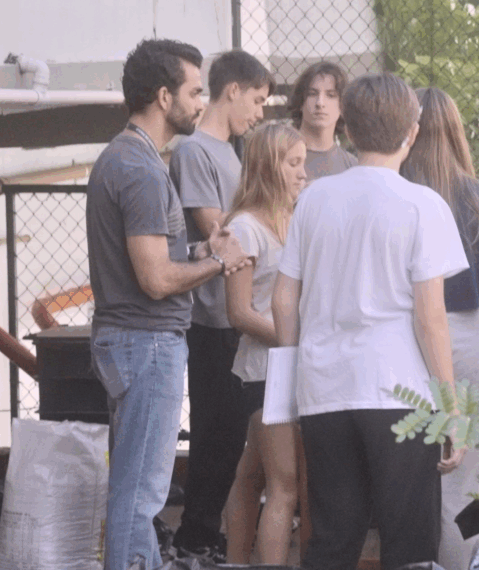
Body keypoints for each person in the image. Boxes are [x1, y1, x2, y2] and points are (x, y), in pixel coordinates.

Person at [271, 73, 469, 570]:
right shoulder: (424, 205)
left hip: (324, 390)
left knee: (332, 539)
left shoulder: (313, 199)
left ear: (348, 130)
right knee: (409, 544)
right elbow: (431, 321)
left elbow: (282, 301)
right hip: (400, 395)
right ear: (413, 131)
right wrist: (452, 410)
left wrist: (289, 386)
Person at [86, 38, 247, 570]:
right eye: (196, 91)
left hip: (133, 341)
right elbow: (155, 279)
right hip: (146, 343)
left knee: (134, 488)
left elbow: (156, 258)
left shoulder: (127, 157)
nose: (203, 103)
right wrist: (219, 263)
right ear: (163, 96)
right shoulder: (139, 169)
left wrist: (201, 250)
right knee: (140, 495)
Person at [400, 87, 479, 570]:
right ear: (456, 132)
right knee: (466, 477)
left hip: (406, 334)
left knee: (409, 474)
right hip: (471, 336)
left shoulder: (399, 195)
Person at [169, 49, 275, 560]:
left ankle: (208, 531)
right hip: (212, 317)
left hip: (239, 310)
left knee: (234, 432)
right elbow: (221, 230)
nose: (258, 113)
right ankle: (196, 532)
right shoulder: (195, 152)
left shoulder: (233, 151)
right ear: (231, 90)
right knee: (215, 429)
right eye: (256, 100)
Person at [221, 122, 308, 564]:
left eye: (304, 163)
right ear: (267, 165)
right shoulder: (245, 227)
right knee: (286, 487)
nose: (302, 174)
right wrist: (298, 342)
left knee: (251, 475)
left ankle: (236, 562)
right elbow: (240, 314)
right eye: (293, 163)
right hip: (264, 374)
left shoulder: (295, 220)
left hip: (293, 371)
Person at [288, 61, 358, 181]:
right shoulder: (279, 156)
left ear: (343, 105)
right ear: (301, 103)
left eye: (331, 95)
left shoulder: (352, 166)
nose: (320, 103)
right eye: (312, 94)